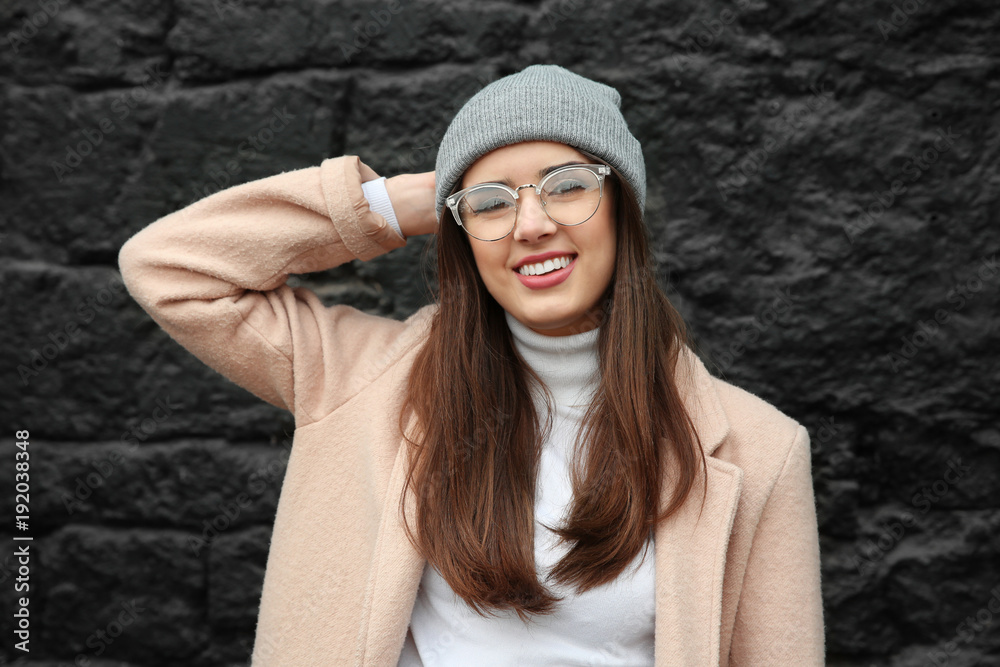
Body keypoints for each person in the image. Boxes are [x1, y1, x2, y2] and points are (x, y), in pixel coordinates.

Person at [118, 64, 825, 666]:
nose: (531, 223)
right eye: (491, 203)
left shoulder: (761, 447)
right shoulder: (356, 378)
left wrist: (484, 186)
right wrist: (405, 203)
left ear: (624, 209)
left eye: (567, 185)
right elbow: (171, 269)